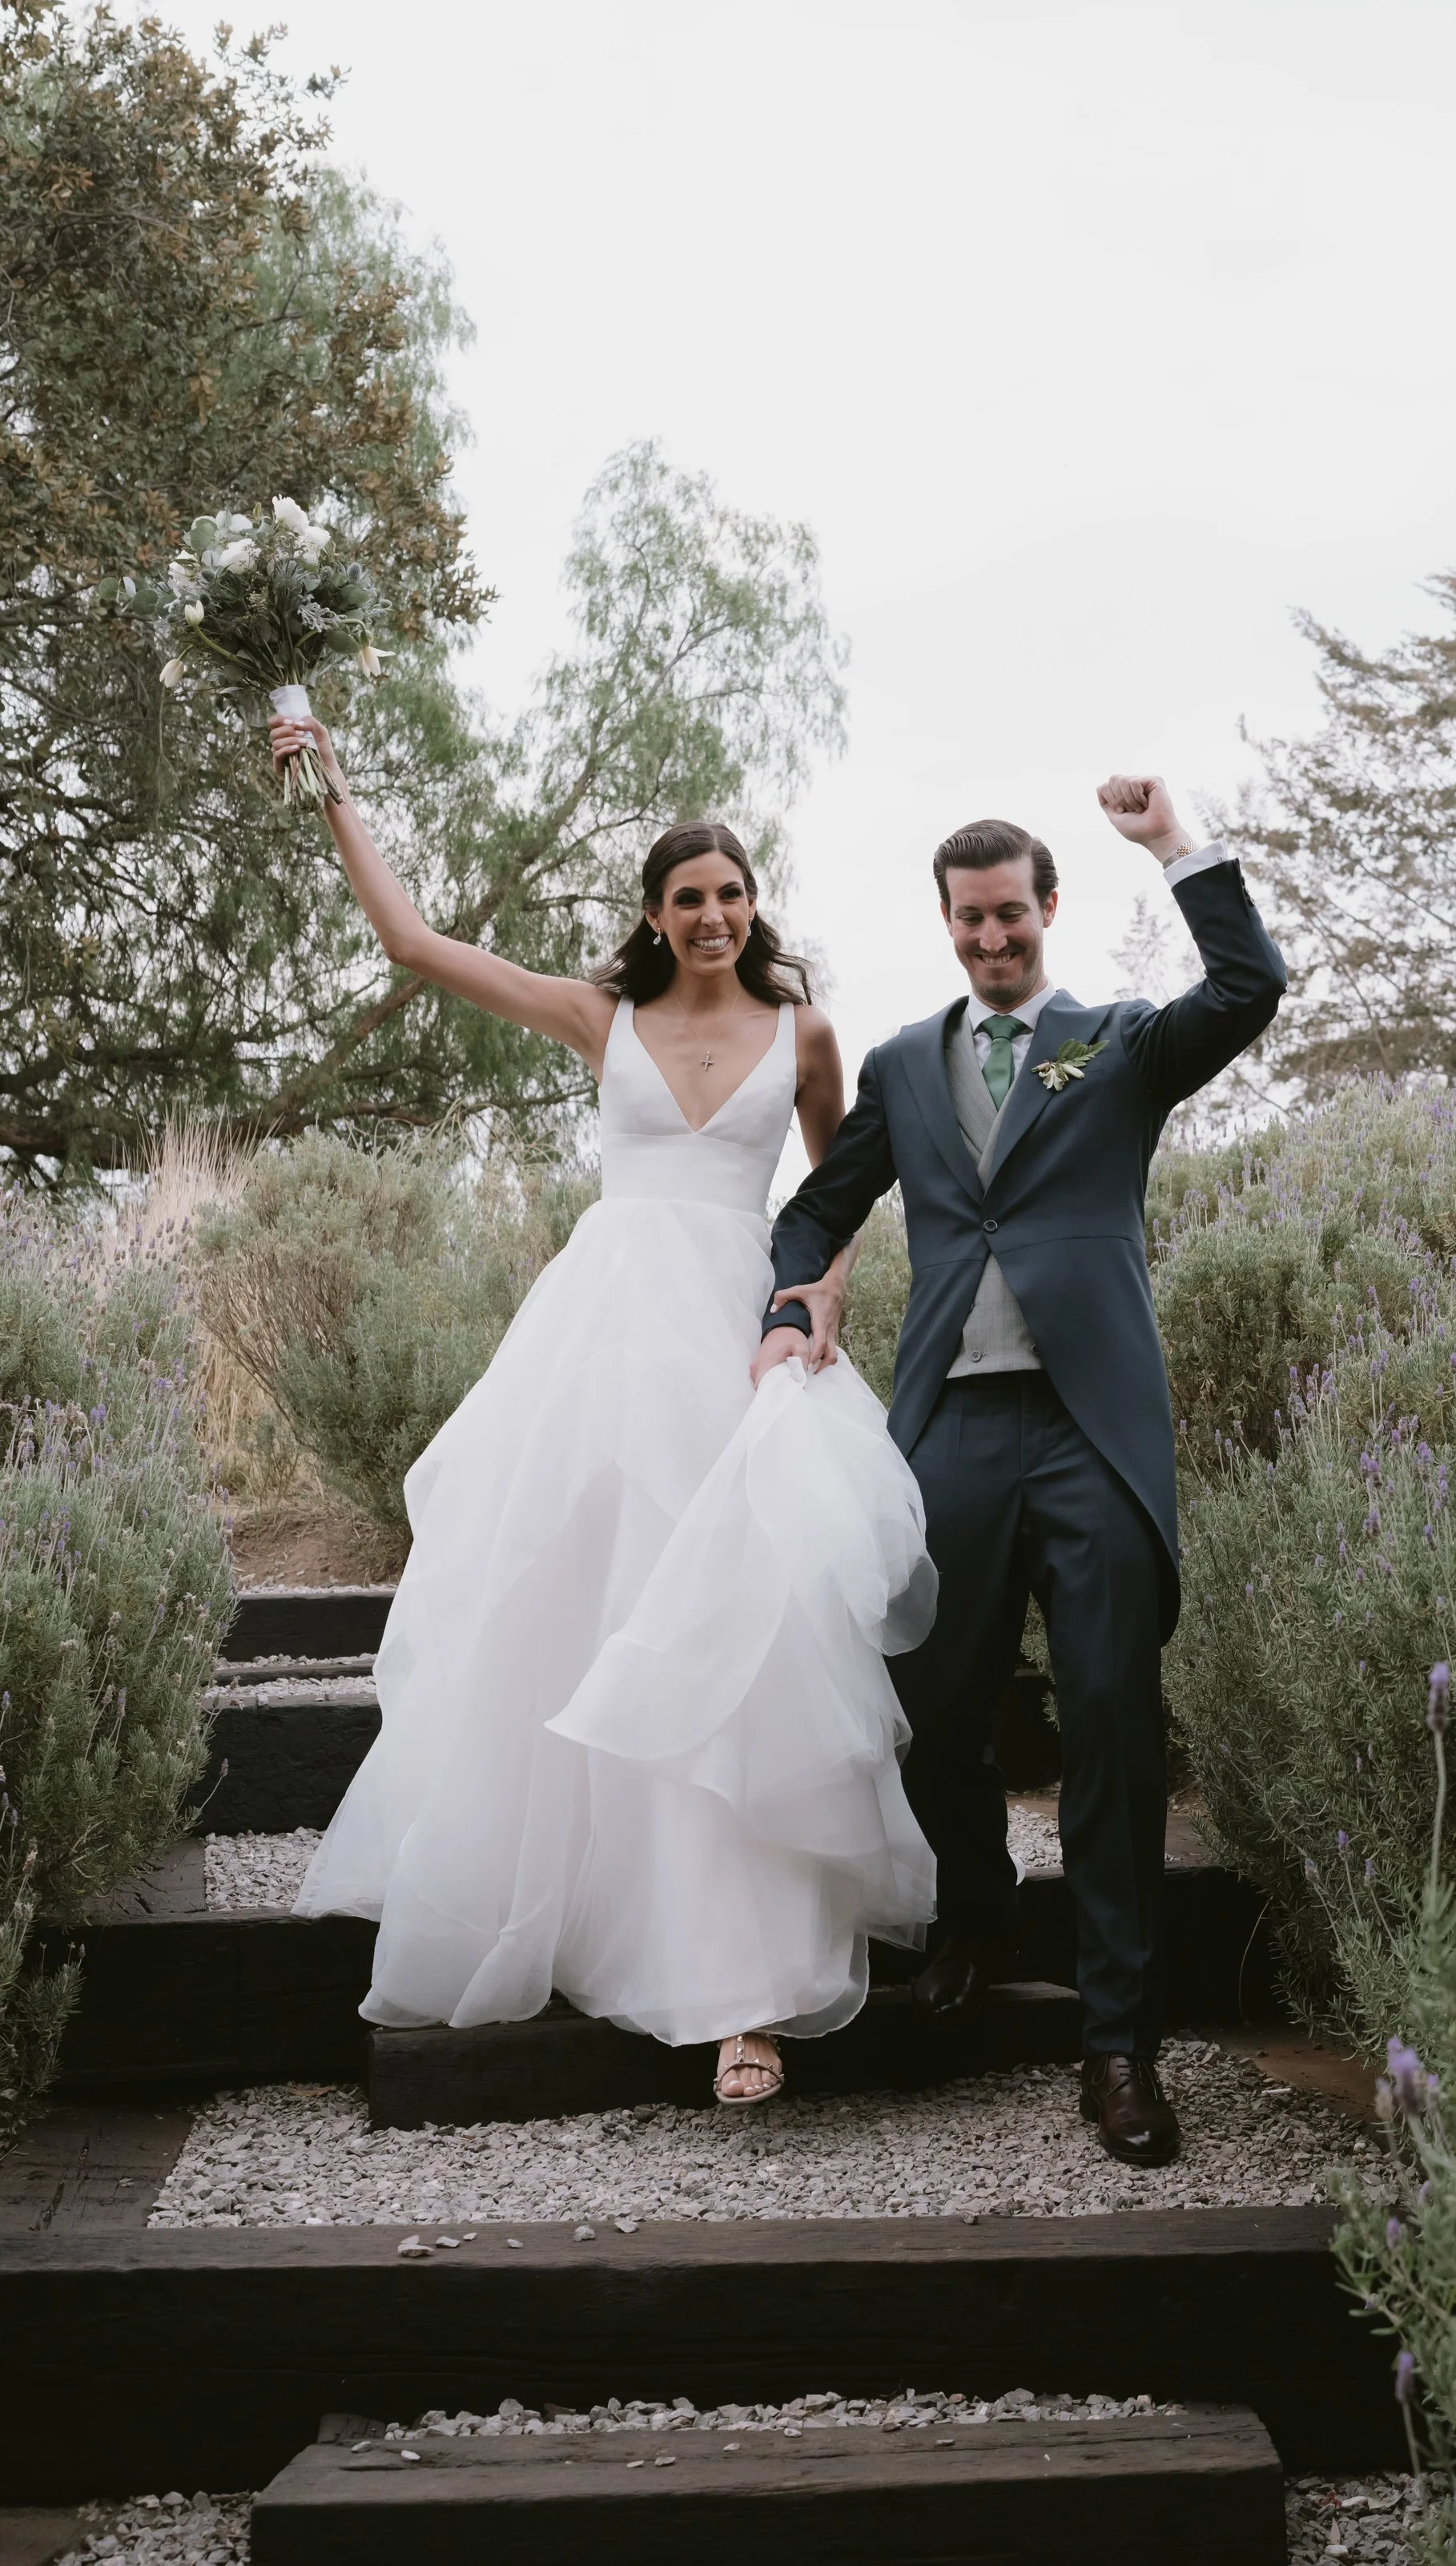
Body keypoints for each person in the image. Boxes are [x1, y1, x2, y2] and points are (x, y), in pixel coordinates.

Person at [272, 707, 936, 2107]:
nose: (713, 914)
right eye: (688, 896)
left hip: (732, 1341)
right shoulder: (605, 1017)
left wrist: (819, 1300)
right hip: (599, 1338)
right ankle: (585, 1921)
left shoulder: (806, 1033)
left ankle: (745, 1996)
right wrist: (335, 788)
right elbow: (416, 947)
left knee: (739, 1641)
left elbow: (838, 1194)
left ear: (756, 906)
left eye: (732, 893)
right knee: (576, 1613)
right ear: (654, 913)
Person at [754, 775, 1285, 2164]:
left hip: (1092, 1427)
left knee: (1112, 1716)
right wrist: (788, 1310)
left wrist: (1177, 842)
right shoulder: (901, 1067)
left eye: (1011, 915)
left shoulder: (1115, 1044)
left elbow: (1247, 986)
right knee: (931, 1699)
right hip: (955, 1431)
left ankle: (1118, 2043)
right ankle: (976, 1924)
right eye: (969, 919)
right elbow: (819, 1204)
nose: (992, 938)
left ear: (1049, 910)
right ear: (945, 925)